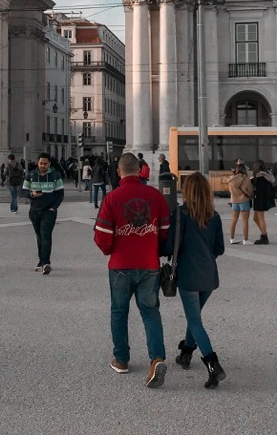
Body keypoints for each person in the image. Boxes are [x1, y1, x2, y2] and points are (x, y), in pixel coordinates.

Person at [94, 152, 170, 387]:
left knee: (119, 312)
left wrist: (110, 251)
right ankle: (156, 357)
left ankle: (122, 360)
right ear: (140, 170)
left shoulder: (112, 198)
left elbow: (103, 235)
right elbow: (165, 229)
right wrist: (153, 246)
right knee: (150, 312)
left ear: (119, 172)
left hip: (120, 265)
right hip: (149, 264)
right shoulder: (155, 196)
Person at [163, 172, 226, 389]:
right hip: (209, 276)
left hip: (188, 275)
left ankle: (213, 365)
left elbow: (170, 246)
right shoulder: (214, 216)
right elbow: (220, 249)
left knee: (195, 320)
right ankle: (186, 354)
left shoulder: (179, 214)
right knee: (194, 317)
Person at [23, 152, 64, 275]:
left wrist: (54, 207)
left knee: (46, 235)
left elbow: (60, 194)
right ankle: (41, 260)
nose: (42, 165)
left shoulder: (55, 176)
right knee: (39, 236)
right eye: (41, 163)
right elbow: (24, 191)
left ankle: (46, 263)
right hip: (35, 211)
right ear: (38, 163)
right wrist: (32, 194)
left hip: (49, 211)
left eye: (45, 164)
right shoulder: (31, 175)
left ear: (49, 164)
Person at [227, 164, 253, 244]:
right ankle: (245, 240)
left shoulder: (231, 179)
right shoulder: (246, 179)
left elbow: (230, 191)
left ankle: (232, 239)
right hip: (244, 201)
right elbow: (250, 190)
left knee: (234, 220)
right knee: (245, 220)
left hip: (234, 201)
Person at [251, 161, 275, 245]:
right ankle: (263, 234)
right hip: (262, 199)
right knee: (255, 218)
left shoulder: (260, 178)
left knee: (260, 218)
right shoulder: (265, 175)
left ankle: (264, 237)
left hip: (259, 199)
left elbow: (258, 189)